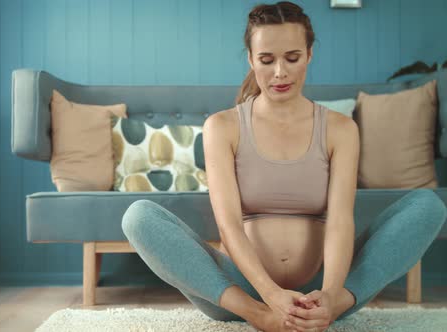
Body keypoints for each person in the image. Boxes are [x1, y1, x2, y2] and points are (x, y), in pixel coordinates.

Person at [121, 2, 447, 331]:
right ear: (250, 59)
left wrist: (331, 297)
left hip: (321, 292)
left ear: (309, 55)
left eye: (292, 58)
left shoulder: (340, 129)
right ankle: (261, 317)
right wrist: (270, 298)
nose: (280, 72)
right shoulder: (222, 127)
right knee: (138, 217)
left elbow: (339, 222)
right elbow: (229, 226)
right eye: (266, 60)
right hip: (243, 292)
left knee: (429, 206)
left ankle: (330, 309)